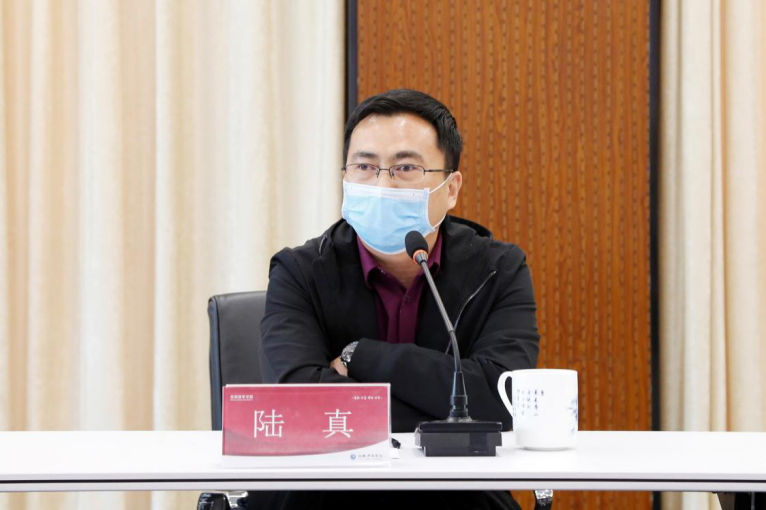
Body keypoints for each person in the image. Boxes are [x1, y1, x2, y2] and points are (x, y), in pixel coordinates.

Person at [253, 89, 540, 510]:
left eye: (405, 167)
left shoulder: (499, 270)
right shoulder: (299, 270)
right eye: (365, 166)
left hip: (457, 492)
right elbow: (299, 404)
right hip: (323, 490)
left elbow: (502, 401)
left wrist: (361, 356)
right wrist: (445, 411)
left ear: (451, 188)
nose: (382, 184)